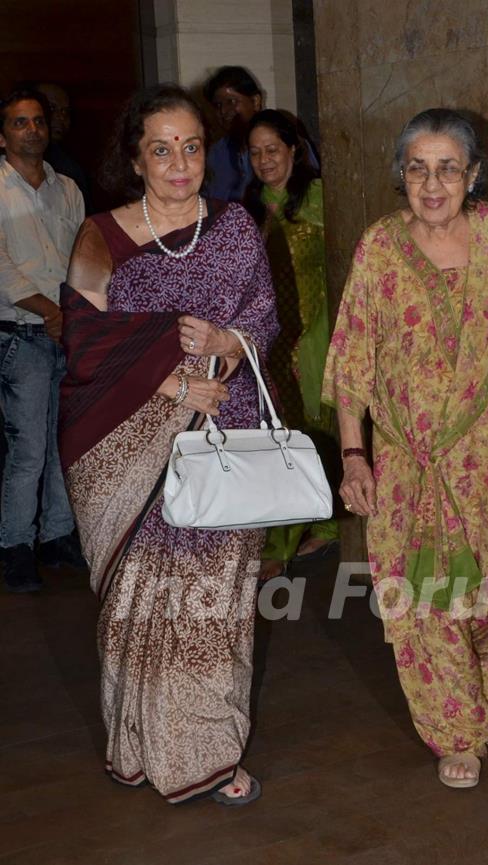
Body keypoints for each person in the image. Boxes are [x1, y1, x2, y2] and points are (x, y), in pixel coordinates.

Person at [322, 108, 488, 789]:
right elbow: (352, 363)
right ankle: (456, 728)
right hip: (408, 462)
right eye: (418, 169)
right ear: (402, 175)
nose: (432, 184)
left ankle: (487, 682)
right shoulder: (379, 248)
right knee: (427, 597)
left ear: (473, 175)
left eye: (447, 168)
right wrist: (353, 454)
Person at [58, 84, 278, 805]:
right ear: (136, 157)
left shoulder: (237, 225)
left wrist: (228, 342)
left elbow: (264, 316)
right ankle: (140, 742)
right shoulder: (101, 235)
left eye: (191, 147)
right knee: (142, 607)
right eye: (162, 149)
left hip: (226, 434)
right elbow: (87, 347)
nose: (180, 163)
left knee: (214, 607)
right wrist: (173, 386)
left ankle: (207, 750)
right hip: (141, 442)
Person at [244, 109, 338, 580]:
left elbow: (339, 268)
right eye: (256, 152)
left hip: (315, 329)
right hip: (267, 337)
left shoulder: (320, 198)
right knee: (277, 435)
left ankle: (289, 542)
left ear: (294, 151)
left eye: (273, 150)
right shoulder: (246, 208)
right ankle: (297, 528)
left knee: (311, 430)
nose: (265, 161)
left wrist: (318, 338)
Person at [0, 89, 85, 593]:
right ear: (3, 133)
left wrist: (75, 312)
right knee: (27, 447)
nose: (30, 129)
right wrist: (51, 312)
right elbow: (2, 271)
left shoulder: (67, 188)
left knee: (62, 443)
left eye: (37, 121)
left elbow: (80, 257)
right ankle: (14, 546)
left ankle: (56, 535)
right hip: (21, 335)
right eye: (18, 122)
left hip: (66, 332)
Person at [203, 65, 319, 203]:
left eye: (231, 102)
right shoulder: (215, 155)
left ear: (256, 101)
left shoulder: (287, 142)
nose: (223, 111)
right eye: (218, 106)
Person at [34, 82, 93, 212]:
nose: (60, 118)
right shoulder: (12, 166)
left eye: (65, 112)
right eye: (52, 108)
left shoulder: (70, 169)